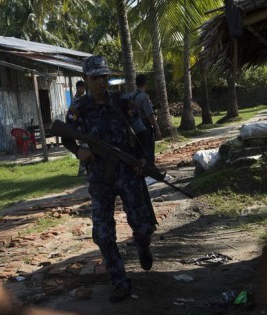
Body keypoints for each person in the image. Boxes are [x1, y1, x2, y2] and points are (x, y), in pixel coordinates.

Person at [61, 55, 157, 303]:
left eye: (103, 77)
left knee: (143, 225)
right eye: (94, 78)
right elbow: (65, 135)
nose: (99, 82)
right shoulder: (79, 108)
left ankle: (143, 246)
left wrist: (145, 159)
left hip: (127, 171)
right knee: (103, 234)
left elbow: (143, 131)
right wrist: (78, 151)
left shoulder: (123, 102)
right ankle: (119, 280)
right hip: (99, 176)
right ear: (86, 79)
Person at [133, 74, 162, 164]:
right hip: (145, 127)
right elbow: (150, 114)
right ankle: (149, 170)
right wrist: (157, 129)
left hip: (134, 127)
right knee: (148, 151)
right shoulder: (144, 96)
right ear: (146, 83)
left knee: (139, 152)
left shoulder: (132, 96)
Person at [71, 80, 87, 176]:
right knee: (84, 148)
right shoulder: (76, 100)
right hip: (80, 128)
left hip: (84, 127)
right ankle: (81, 170)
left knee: (86, 147)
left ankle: (84, 169)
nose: (83, 90)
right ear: (78, 88)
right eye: (82, 88)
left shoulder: (81, 98)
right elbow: (73, 115)